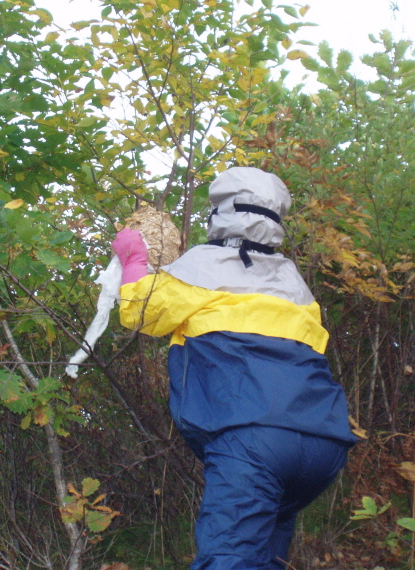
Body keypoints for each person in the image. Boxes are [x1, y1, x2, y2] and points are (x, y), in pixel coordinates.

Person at [111, 167, 358, 570]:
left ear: (219, 215)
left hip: (254, 441)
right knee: (263, 558)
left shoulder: (202, 269)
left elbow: (139, 310)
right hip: (322, 445)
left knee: (229, 558)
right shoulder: (294, 284)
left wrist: (135, 257)